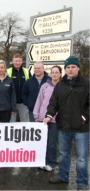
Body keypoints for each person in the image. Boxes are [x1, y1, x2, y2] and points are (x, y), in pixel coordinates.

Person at [43, 56, 89, 190]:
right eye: (68, 67)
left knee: (81, 158)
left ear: (78, 68)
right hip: (63, 126)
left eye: (73, 67)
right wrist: (49, 115)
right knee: (64, 153)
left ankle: (82, 182)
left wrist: (84, 117)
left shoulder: (86, 84)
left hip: (82, 128)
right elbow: (53, 102)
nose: (70, 69)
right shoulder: (60, 85)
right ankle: (63, 176)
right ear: (65, 69)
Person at [33, 65, 62, 172]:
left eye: (56, 72)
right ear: (50, 74)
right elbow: (39, 101)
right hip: (42, 119)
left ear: (60, 74)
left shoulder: (63, 86)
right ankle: (42, 161)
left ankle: (51, 163)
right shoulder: (45, 86)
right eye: (52, 72)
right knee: (42, 142)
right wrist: (36, 115)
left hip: (55, 120)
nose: (54, 74)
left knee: (52, 143)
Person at [7, 53, 30, 122]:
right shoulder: (8, 71)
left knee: (25, 123)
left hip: (23, 103)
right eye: (16, 61)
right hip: (11, 103)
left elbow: (30, 85)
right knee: (11, 124)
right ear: (13, 61)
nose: (17, 63)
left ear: (22, 61)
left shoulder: (26, 71)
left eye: (19, 61)